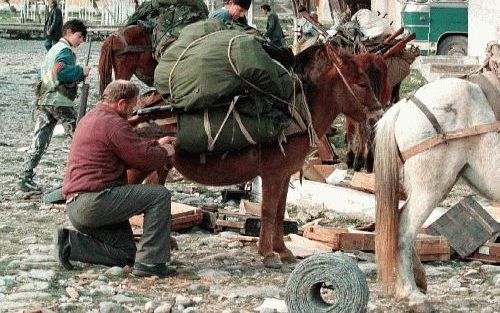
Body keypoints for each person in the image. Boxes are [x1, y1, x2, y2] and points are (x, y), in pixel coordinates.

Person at [56, 80, 176, 278]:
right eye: (132, 105)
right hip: (94, 203)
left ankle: (70, 244)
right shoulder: (114, 124)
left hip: (78, 206)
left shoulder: (92, 118)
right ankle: (151, 263)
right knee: (159, 195)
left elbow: (128, 149)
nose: (133, 110)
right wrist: (165, 151)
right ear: (121, 104)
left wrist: (156, 143)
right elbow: (142, 159)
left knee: (126, 254)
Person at [18, 19, 91, 193]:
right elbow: (61, 72)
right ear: (69, 33)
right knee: (80, 136)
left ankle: (25, 177)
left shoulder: (53, 49)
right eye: (80, 37)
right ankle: (87, 175)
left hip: (44, 99)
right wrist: (81, 71)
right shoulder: (65, 51)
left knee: (39, 139)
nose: (81, 41)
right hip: (59, 100)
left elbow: (43, 73)